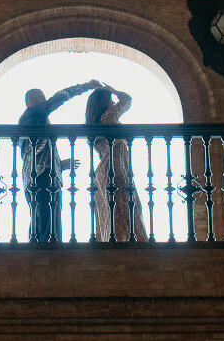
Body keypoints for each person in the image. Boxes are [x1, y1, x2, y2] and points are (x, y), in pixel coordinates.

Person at [18, 79, 100, 241]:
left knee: (48, 216)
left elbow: (39, 152)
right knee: (45, 217)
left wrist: (60, 165)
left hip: (45, 174)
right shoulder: (31, 114)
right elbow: (57, 99)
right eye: (41, 98)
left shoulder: (38, 120)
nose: (44, 100)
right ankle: (45, 252)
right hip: (40, 176)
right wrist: (84, 87)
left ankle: (45, 249)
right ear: (32, 101)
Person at [86, 86, 148, 242]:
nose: (113, 102)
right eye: (110, 99)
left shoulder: (97, 122)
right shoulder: (109, 117)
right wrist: (112, 89)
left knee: (114, 214)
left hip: (106, 171)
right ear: (104, 102)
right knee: (127, 208)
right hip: (116, 168)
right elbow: (127, 100)